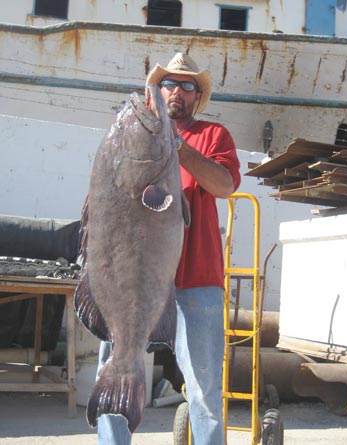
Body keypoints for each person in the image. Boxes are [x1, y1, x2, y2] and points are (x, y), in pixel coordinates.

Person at [97, 52, 241, 445]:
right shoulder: (131, 134)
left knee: (205, 388)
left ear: (197, 97)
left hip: (197, 281)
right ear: (155, 92)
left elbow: (224, 186)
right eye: (168, 84)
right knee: (113, 367)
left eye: (187, 85)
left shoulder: (214, 136)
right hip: (131, 282)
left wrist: (177, 146)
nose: (176, 91)